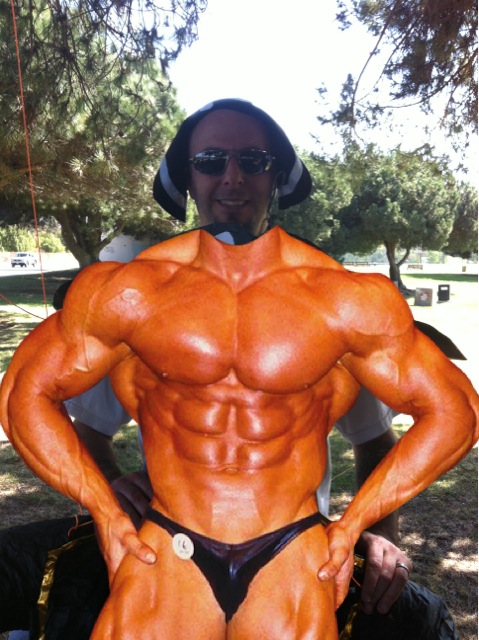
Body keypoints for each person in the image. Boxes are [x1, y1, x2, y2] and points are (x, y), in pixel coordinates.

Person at [1, 99, 477, 639]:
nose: (232, 176)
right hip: (167, 541)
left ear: (276, 177)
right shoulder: (131, 294)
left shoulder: (341, 301)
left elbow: (451, 413)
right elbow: (26, 395)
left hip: (294, 548)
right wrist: (105, 504)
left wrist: (358, 526)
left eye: (253, 160)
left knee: (425, 622)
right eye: (210, 160)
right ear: (186, 178)